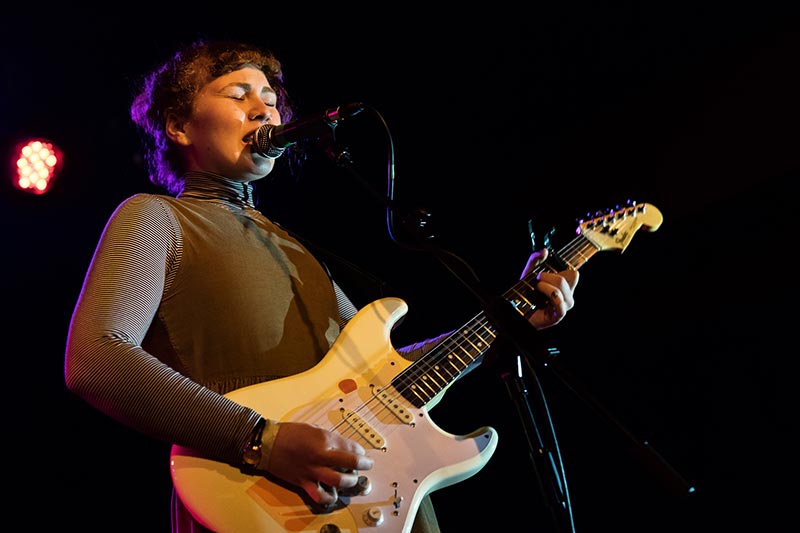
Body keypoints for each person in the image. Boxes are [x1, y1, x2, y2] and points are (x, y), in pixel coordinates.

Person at [64, 39, 579, 533]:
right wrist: (261, 440)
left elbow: (380, 380)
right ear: (178, 125)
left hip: (370, 500)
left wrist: (508, 320)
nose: (264, 111)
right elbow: (96, 360)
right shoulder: (157, 217)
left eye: (270, 100)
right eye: (238, 95)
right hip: (260, 503)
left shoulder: (293, 247)